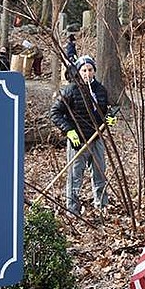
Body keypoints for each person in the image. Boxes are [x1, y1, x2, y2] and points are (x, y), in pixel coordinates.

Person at [50, 55, 115, 217]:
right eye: (84, 70)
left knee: (100, 172)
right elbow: (55, 113)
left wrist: (109, 119)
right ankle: (72, 209)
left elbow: (105, 111)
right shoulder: (70, 90)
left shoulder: (101, 90)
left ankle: (102, 205)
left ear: (94, 71)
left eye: (90, 70)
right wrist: (69, 131)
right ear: (78, 72)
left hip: (96, 138)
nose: (87, 73)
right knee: (75, 175)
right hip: (78, 141)